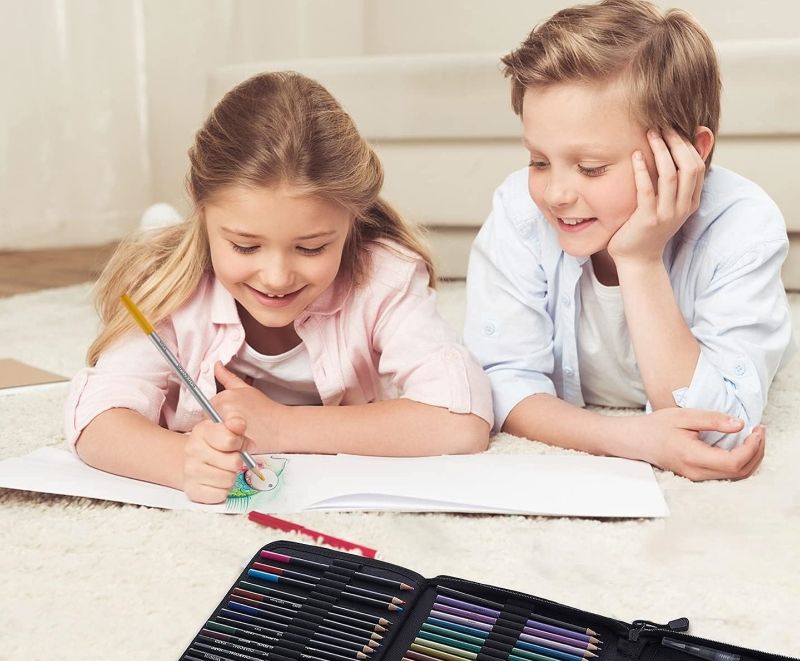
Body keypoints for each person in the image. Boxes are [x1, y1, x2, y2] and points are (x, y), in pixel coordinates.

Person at [66, 71, 492, 504]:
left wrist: (282, 425)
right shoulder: (166, 284)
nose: (276, 278)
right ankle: (160, 226)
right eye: (245, 246)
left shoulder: (384, 276)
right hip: (177, 257)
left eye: (310, 248)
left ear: (353, 218)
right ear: (200, 205)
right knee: (158, 246)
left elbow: (463, 419)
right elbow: (96, 418)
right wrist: (182, 463)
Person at [463, 0, 795, 481]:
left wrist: (640, 261)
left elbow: (717, 432)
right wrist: (624, 437)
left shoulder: (743, 227)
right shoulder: (520, 211)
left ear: (687, 153)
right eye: (538, 161)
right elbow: (499, 382)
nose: (555, 194)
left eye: (591, 168)